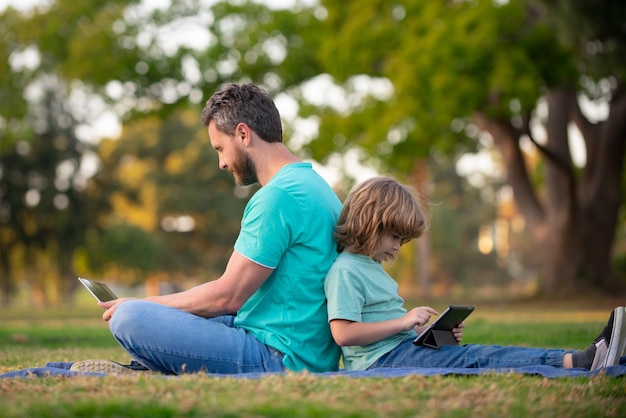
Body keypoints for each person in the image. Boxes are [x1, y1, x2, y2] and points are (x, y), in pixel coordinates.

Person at [72, 83, 342, 375]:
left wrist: (143, 304)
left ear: (243, 134)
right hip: (298, 344)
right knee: (182, 317)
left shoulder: (278, 197)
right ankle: (149, 367)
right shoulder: (316, 187)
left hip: (280, 355)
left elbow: (228, 296)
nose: (222, 163)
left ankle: (151, 367)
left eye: (220, 148)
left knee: (129, 317)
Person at [324, 176, 626, 371]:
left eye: (403, 241)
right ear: (370, 222)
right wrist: (404, 321)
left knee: (477, 354)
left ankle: (578, 358)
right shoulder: (346, 271)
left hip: (400, 351)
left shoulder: (371, 268)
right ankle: (577, 361)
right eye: (395, 237)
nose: (398, 247)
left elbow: (382, 326)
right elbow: (344, 334)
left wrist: (428, 334)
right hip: (382, 363)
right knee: (479, 357)